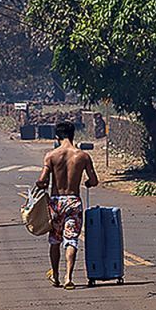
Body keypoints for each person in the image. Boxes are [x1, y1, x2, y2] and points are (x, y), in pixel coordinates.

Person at [35, 121, 98, 290]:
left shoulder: (51, 156)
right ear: (73, 135)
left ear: (57, 136)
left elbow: (42, 180)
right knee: (71, 240)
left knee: (55, 240)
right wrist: (87, 183)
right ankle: (68, 276)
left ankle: (55, 276)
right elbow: (94, 180)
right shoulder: (83, 156)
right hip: (73, 202)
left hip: (56, 203)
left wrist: (41, 184)